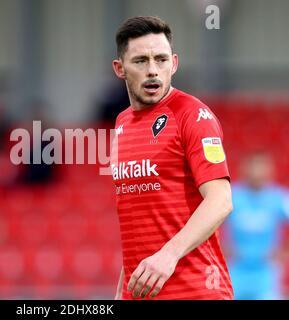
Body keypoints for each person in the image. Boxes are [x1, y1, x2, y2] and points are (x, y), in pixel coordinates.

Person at [111, 16, 233, 300]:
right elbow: (141, 221)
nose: (153, 70)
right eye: (140, 61)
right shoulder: (121, 124)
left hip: (196, 290)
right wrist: (122, 290)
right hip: (142, 293)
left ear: (174, 64)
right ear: (120, 69)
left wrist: (169, 255)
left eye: (161, 59)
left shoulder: (193, 115)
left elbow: (221, 200)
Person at [223, 151, 289, 299]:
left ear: (269, 170)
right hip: (236, 269)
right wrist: (221, 249)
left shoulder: (279, 197)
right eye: (254, 167)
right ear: (245, 169)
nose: (257, 172)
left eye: (261, 167)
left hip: (265, 272)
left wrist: (284, 251)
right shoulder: (231, 196)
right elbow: (208, 222)